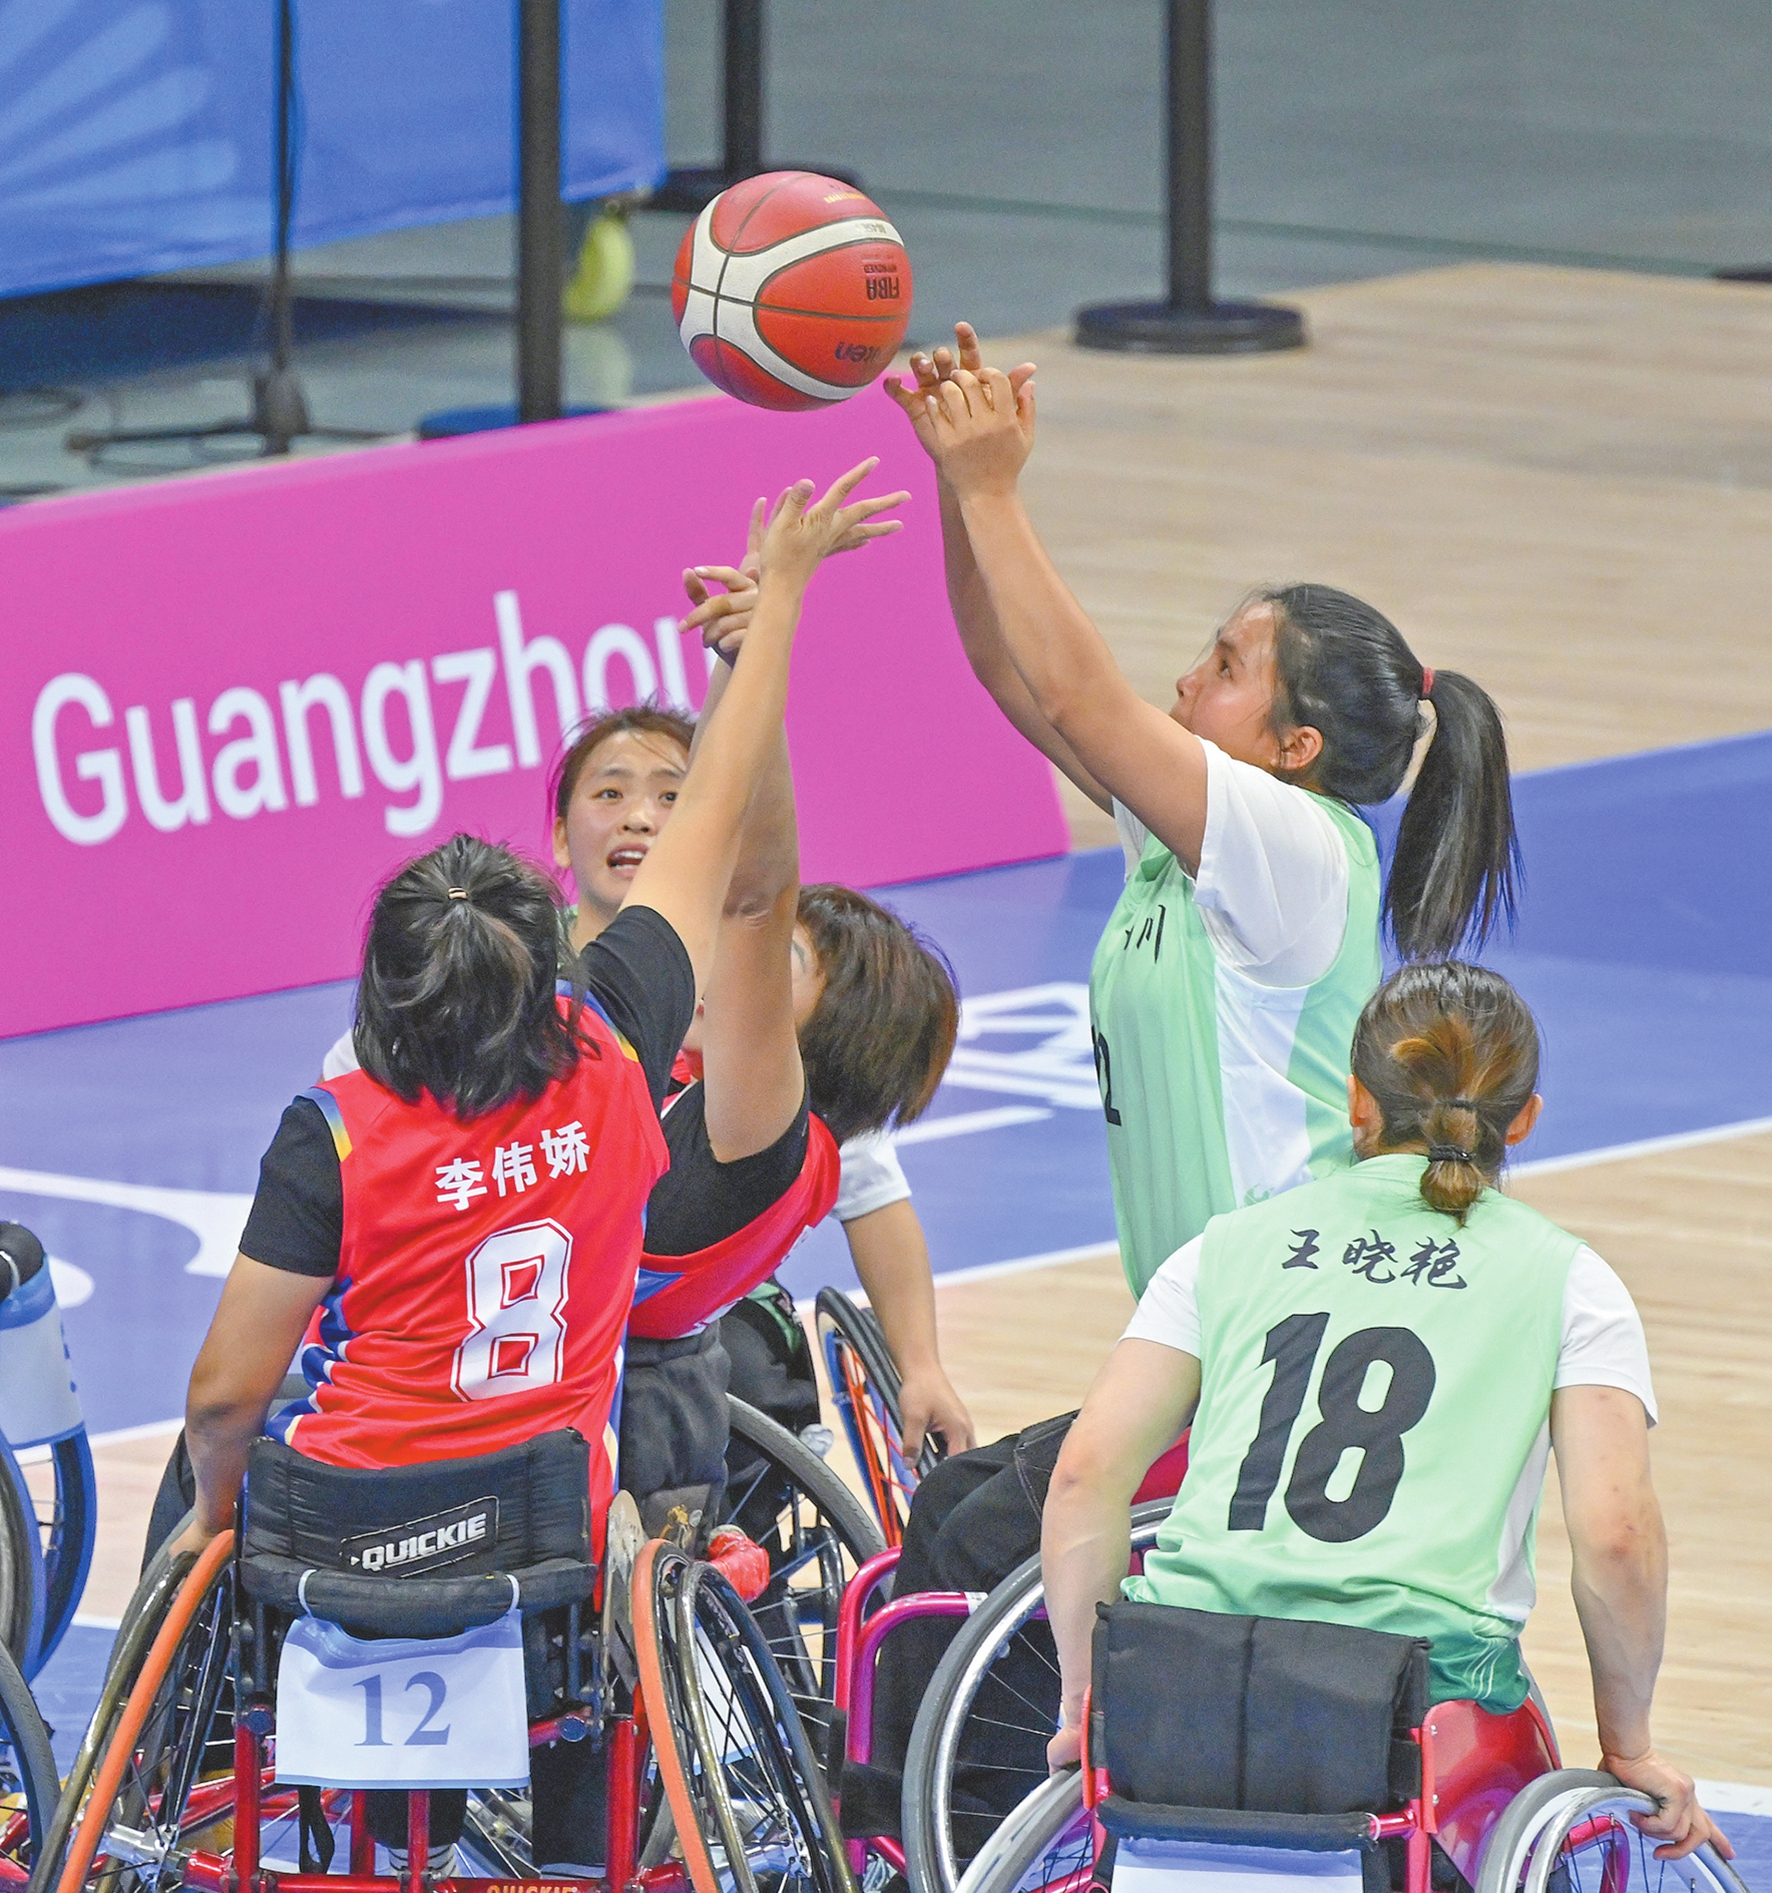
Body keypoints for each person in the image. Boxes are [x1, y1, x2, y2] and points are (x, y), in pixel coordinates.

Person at [164, 462, 905, 1871]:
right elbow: (730, 862)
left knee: (223, 1511)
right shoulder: (617, 1048)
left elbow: (220, 1395)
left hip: (334, 1528)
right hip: (539, 1524)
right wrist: (783, 610)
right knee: (606, 1606)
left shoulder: (333, 1127)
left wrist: (221, 1516)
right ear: (549, 951)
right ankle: (575, 1852)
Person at [843, 326, 1527, 1831]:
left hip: (1270, 1366)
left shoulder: (1295, 854)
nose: (1183, 678)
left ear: (1293, 745)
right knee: (955, 1519)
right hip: (1199, 1336)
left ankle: (925, 1846)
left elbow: (1087, 701)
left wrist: (998, 489)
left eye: (1222, 669)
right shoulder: (1200, 838)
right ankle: (910, 1836)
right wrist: (961, 493)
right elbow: (1022, 682)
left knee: (968, 1550)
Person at [1041, 962, 1729, 1864]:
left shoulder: (1226, 1246)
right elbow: (1618, 1537)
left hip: (1180, 1684)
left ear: (1358, 1102)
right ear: (1522, 1120)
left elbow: (1085, 1475)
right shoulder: (1569, 1280)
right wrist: (1628, 1742)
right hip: (1406, 1707)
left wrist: (1087, 1701)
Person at [616, 557, 963, 1540]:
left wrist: (772, 634)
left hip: (623, 1420)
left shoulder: (762, 1134)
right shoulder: (741, 1109)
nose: (744, 964)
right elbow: (725, 849)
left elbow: (754, 889)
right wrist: (732, 663)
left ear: (816, 1039)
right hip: (643, 1389)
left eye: (782, 968)